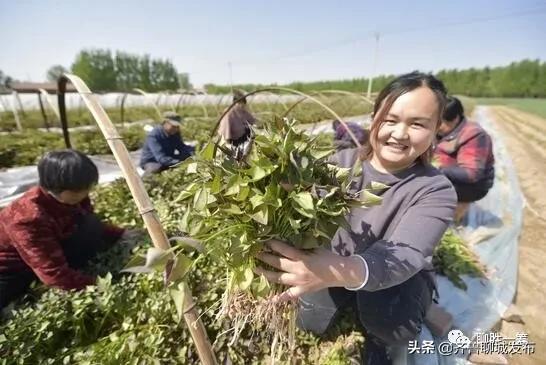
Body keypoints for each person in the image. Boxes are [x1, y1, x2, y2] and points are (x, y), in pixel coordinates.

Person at [255, 72, 457, 364]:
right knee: (308, 322)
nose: (399, 133)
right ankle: (348, 300)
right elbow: (303, 199)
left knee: (391, 324)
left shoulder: (435, 189)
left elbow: (405, 255)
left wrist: (334, 271)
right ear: (374, 118)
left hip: (394, 279)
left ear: (436, 129)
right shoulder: (341, 163)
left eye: (417, 124)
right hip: (332, 262)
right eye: (390, 119)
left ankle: (420, 309)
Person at [0, 150, 136, 309]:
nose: (86, 193)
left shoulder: (75, 195)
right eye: (79, 190)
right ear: (55, 186)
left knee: (90, 225)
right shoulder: (27, 217)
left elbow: (90, 221)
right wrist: (105, 287)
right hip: (12, 268)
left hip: (53, 245)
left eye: (87, 187)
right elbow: (54, 274)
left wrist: (121, 234)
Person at [434, 96, 495, 222]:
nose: (437, 127)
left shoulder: (474, 135)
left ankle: (446, 221)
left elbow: (471, 174)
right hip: (446, 176)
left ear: (455, 118)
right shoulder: (441, 130)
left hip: (472, 186)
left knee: (427, 189)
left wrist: (438, 169)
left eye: (441, 123)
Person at [218, 90, 256, 159]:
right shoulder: (228, 113)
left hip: (244, 141)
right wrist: (228, 147)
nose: (243, 106)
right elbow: (225, 135)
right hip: (234, 143)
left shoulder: (243, 111)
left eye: (243, 104)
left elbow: (253, 121)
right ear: (236, 103)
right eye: (241, 103)